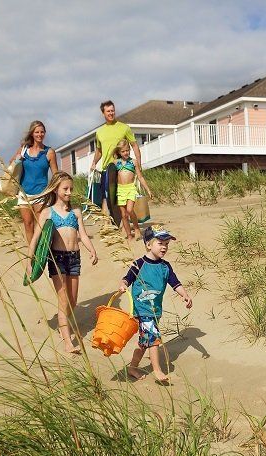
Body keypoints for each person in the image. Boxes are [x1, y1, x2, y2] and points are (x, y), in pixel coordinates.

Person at [27, 171, 98, 354]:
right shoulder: (47, 212)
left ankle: (62, 325)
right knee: (63, 299)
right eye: (65, 188)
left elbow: (83, 235)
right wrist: (30, 261)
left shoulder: (76, 212)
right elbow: (35, 239)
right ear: (55, 189)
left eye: (71, 189)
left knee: (73, 301)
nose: (69, 192)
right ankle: (68, 342)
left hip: (74, 258)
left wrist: (92, 250)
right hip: (57, 258)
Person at [119, 226, 192, 382]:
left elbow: (175, 283)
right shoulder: (139, 264)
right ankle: (157, 370)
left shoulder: (165, 267)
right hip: (142, 310)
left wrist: (185, 295)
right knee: (153, 339)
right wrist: (123, 285)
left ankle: (132, 367)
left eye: (166, 244)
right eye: (160, 243)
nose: (164, 247)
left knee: (144, 342)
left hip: (155, 310)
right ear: (148, 244)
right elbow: (127, 278)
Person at [88, 100, 144, 226]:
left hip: (122, 168)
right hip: (107, 169)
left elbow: (134, 145)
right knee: (105, 197)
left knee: (122, 198)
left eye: (112, 110)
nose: (111, 113)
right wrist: (94, 163)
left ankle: (124, 226)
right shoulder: (99, 132)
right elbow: (99, 151)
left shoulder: (124, 128)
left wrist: (138, 164)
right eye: (108, 111)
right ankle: (106, 226)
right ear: (103, 113)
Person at [10, 120, 58, 243]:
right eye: (37, 132)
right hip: (24, 194)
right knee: (28, 224)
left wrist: (56, 192)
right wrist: (17, 159)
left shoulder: (49, 152)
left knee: (41, 227)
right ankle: (31, 252)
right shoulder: (24, 149)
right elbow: (11, 164)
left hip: (41, 194)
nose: (40, 134)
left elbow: (55, 174)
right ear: (32, 133)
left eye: (42, 132)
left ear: (45, 133)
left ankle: (42, 251)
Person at [113, 139, 153, 244]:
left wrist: (148, 189)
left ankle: (136, 228)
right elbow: (110, 177)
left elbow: (140, 177)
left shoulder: (133, 162)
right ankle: (129, 235)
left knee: (130, 210)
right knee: (124, 215)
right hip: (120, 190)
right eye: (123, 151)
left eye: (127, 150)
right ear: (119, 152)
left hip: (131, 188)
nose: (126, 153)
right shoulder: (115, 163)